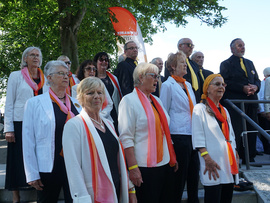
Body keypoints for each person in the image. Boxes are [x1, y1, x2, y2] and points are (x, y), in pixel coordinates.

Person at [62, 77, 136, 203]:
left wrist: (130, 189)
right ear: (80, 98)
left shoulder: (108, 124)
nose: (96, 96)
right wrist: (83, 199)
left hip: (117, 188)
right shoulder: (74, 125)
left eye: (99, 92)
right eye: (90, 93)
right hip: (94, 194)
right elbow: (73, 168)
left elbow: (119, 160)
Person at [22, 60, 82, 203]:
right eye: (61, 73)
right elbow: (28, 140)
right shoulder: (34, 103)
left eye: (67, 73)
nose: (66, 77)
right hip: (48, 166)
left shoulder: (77, 104)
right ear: (49, 78)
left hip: (74, 165)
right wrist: (31, 173)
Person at [118, 62, 177, 203]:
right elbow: (126, 137)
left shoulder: (156, 100)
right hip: (144, 168)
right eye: (153, 76)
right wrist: (133, 168)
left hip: (164, 163)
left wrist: (172, 156)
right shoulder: (128, 101)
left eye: (158, 76)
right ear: (141, 77)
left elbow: (165, 131)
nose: (157, 80)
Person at [4, 46, 46, 203]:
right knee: (16, 159)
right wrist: (9, 129)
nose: (36, 57)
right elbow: (9, 103)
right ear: (25, 59)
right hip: (20, 122)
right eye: (32, 55)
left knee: (37, 157)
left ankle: (37, 190)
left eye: (38, 55)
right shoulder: (16, 76)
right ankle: (16, 196)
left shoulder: (45, 79)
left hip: (38, 124)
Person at [192, 74, 239, 203]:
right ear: (207, 88)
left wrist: (235, 152)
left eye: (223, 84)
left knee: (226, 197)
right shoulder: (199, 109)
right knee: (213, 197)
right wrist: (207, 158)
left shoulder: (225, 110)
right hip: (211, 163)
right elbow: (197, 136)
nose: (221, 87)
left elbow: (231, 135)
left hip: (228, 161)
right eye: (217, 84)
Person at [160, 51, 199, 203]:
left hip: (193, 135)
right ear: (172, 67)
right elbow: (164, 111)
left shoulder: (187, 84)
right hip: (178, 135)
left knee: (193, 176)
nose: (185, 65)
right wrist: (169, 140)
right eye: (182, 63)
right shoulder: (167, 85)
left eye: (185, 62)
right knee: (179, 178)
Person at [220, 38, 260, 164]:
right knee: (237, 130)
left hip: (251, 102)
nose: (242, 48)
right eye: (239, 45)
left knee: (251, 129)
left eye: (243, 45)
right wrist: (242, 88)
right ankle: (235, 156)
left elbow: (257, 79)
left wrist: (256, 87)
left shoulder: (250, 63)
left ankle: (250, 157)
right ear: (232, 49)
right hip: (236, 103)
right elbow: (226, 82)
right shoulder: (226, 64)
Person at [94, 52, 122, 132]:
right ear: (96, 62)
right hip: (100, 114)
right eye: (101, 60)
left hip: (114, 114)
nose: (104, 62)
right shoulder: (92, 79)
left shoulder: (114, 79)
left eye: (106, 60)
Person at [257, 67, 270, 154]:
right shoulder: (262, 84)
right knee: (265, 131)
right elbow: (261, 97)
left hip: (266, 109)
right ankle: (267, 149)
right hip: (265, 111)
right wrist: (263, 110)